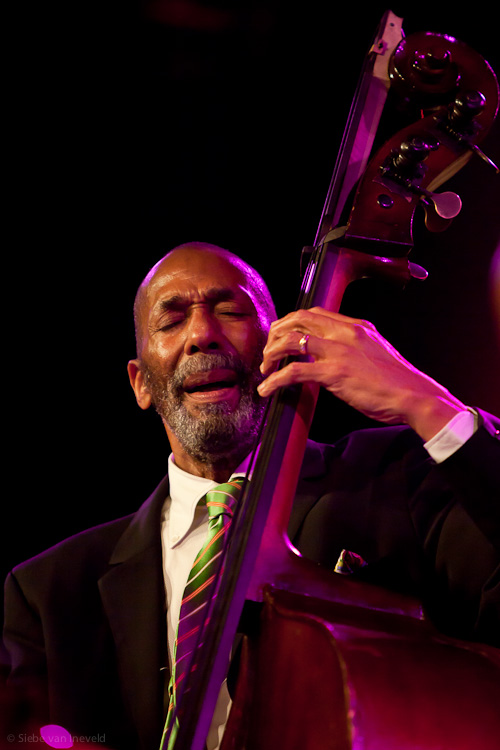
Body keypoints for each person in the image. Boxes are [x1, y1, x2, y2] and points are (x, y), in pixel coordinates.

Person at [3, 241, 500, 750]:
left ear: (277, 345)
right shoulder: (46, 592)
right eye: (172, 322)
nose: (202, 334)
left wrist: (426, 403)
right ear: (140, 383)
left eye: (230, 311)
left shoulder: (402, 476)